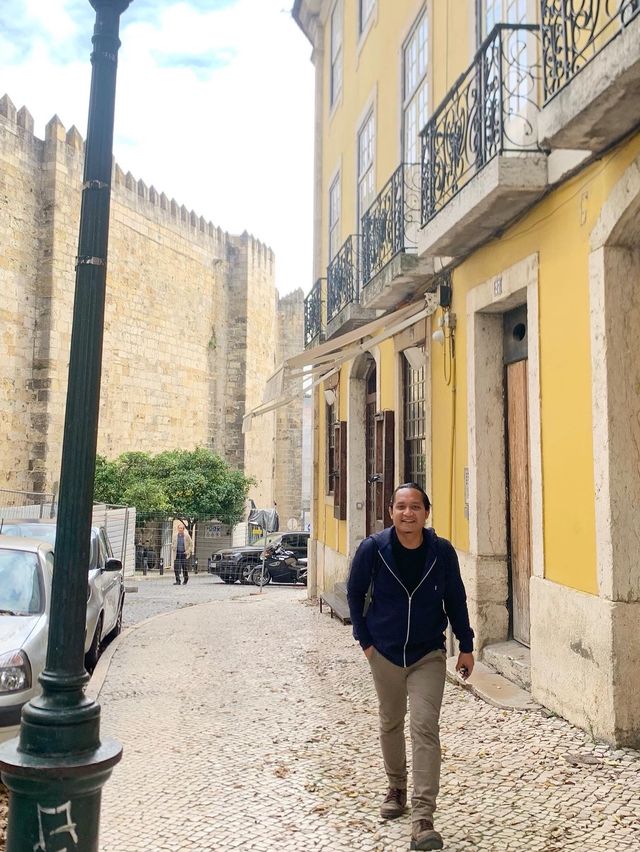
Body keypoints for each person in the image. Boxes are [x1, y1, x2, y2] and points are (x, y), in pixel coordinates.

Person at [347, 483, 474, 851]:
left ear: (426, 513)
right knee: (390, 721)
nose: (408, 513)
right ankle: (396, 787)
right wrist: (365, 642)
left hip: (427, 654)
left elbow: (456, 599)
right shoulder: (374, 549)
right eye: (401, 506)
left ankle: (423, 817)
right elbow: (355, 594)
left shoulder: (441, 551)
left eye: (415, 506)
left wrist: (465, 645)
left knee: (423, 725)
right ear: (391, 512)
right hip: (384, 651)